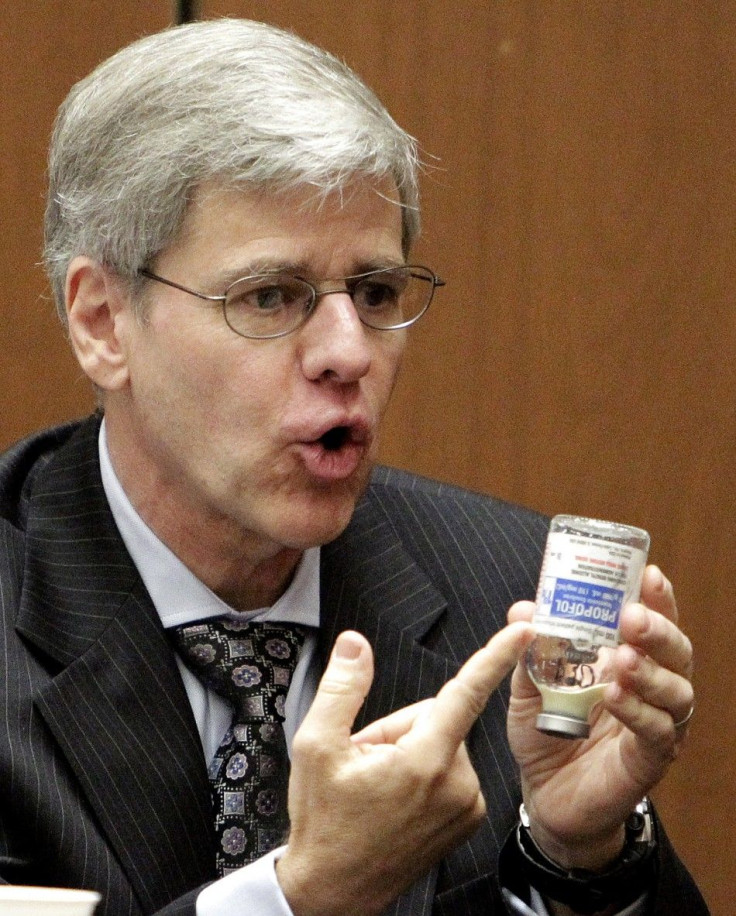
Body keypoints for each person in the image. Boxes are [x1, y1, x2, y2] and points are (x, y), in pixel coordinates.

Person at [0, 17, 707, 916]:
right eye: (269, 296)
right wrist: (305, 897)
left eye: (375, 293)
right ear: (102, 321)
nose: (350, 352)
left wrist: (577, 853)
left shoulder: (517, 601)